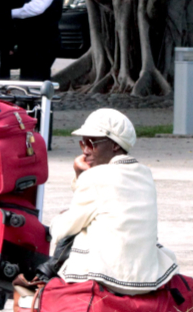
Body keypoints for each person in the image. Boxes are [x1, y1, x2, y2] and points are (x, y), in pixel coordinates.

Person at [47, 109, 179, 295]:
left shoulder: (96, 177)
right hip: (147, 278)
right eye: (82, 143)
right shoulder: (144, 174)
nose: (85, 151)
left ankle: (41, 278)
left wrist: (55, 222)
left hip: (106, 277)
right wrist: (82, 176)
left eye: (91, 143)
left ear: (115, 145)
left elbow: (63, 230)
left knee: (76, 226)